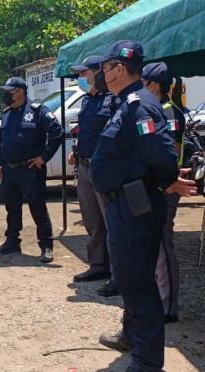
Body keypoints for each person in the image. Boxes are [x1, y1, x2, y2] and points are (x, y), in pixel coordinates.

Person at [91, 41, 196, 372]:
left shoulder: (139, 106)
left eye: (106, 68)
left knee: (139, 284)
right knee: (128, 276)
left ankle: (147, 365)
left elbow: (161, 152)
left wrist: (166, 179)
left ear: (119, 69)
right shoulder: (124, 102)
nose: (102, 74)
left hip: (134, 206)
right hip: (121, 205)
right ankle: (131, 336)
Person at [0, 77, 63, 263]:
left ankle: (46, 245)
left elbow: (57, 132)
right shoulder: (7, 113)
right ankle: (12, 242)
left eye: (9, 91)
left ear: (20, 91)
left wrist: (44, 157)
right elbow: (4, 142)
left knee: (37, 207)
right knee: (12, 208)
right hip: (10, 169)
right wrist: (1, 164)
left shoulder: (37, 111)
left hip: (30, 170)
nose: (6, 95)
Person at [142, 62, 187, 323]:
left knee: (162, 244)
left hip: (166, 186)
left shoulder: (168, 112)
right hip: (155, 184)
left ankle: (168, 306)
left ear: (153, 86)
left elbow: (170, 152)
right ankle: (158, 297)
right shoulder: (157, 109)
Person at [68, 56, 115, 283]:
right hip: (85, 166)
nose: (80, 78)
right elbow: (87, 131)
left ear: (98, 73)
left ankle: (118, 274)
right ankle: (98, 266)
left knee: (112, 221)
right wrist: (76, 151)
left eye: (83, 73)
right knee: (92, 221)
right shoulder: (88, 101)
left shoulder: (113, 99)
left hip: (105, 169)